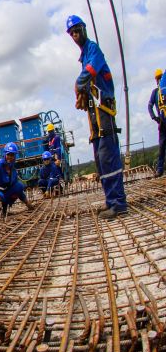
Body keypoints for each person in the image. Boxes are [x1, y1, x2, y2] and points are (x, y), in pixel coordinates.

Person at [67, 15, 128, 219]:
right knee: (100, 159)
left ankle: (119, 203)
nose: (75, 35)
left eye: (77, 30)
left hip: (104, 110)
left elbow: (91, 70)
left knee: (108, 156)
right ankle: (111, 201)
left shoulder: (93, 49)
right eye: (72, 32)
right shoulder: (83, 55)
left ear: (84, 29)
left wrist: (79, 83)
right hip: (95, 114)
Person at [0, 142, 34, 216]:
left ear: (15, 156)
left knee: (19, 186)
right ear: (5, 155)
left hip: (3, 194)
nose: (10, 157)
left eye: (12, 155)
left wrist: (27, 202)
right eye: (8, 154)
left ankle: (4, 210)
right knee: (0, 196)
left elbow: (18, 190)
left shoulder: (13, 171)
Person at [147, 68, 165, 177]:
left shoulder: (163, 90)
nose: (160, 80)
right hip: (162, 123)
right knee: (162, 147)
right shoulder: (155, 92)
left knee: (162, 146)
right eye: (159, 78)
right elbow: (149, 106)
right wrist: (155, 118)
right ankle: (160, 169)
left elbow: (149, 106)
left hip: (163, 121)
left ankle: (160, 169)